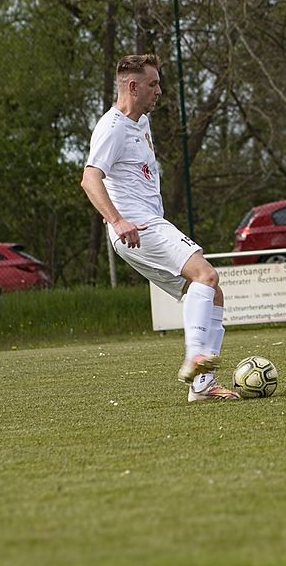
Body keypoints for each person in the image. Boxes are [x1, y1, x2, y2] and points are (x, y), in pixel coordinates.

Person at [81, 54, 238, 402]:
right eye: (152, 84)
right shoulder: (112, 127)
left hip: (145, 225)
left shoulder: (141, 122)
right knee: (206, 275)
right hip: (137, 225)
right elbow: (90, 179)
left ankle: (203, 387)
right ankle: (195, 356)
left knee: (212, 293)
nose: (159, 91)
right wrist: (118, 220)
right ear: (132, 87)